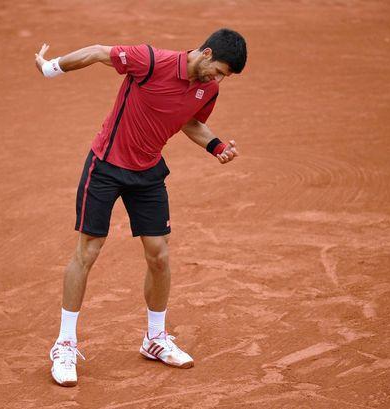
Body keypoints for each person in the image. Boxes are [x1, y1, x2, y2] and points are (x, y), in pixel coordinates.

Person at [35, 28, 247, 387]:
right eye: (221, 70)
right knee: (88, 250)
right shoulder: (150, 61)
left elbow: (189, 121)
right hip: (105, 165)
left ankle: (154, 339)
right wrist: (51, 67)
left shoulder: (208, 89)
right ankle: (65, 344)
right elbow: (99, 52)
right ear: (207, 53)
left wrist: (215, 146)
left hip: (147, 173)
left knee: (159, 255)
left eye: (225, 77)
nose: (219, 79)